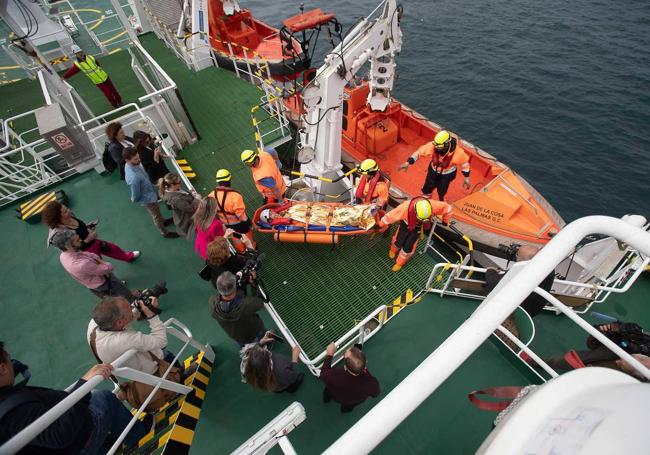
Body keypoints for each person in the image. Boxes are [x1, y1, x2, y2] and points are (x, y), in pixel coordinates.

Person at [0, 341, 146, 454]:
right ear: (2, 368)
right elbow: (59, 434)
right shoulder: (13, 409)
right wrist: (84, 385)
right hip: (75, 445)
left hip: (59, 447)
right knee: (104, 398)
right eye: (9, 359)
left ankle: (109, 448)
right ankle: (139, 435)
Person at [87, 296, 186, 411]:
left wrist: (139, 306)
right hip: (152, 367)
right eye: (130, 309)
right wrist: (151, 314)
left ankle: (180, 378)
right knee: (171, 364)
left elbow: (127, 317)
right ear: (119, 322)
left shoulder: (95, 323)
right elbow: (161, 341)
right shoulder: (122, 340)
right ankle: (179, 387)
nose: (132, 309)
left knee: (171, 364)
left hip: (136, 367)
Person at [50, 230, 166, 301]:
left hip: (95, 284)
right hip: (105, 283)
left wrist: (96, 259)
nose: (80, 240)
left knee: (119, 296)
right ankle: (137, 307)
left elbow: (88, 254)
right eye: (76, 240)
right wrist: (102, 262)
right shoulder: (81, 264)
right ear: (68, 246)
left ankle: (129, 297)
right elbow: (108, 268)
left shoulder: (63, 255)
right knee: (125, 298)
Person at [482, 245, 555, 346]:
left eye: (517, 256)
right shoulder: (549, 269)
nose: (516, 257)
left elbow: (495, 283)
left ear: (522, 260)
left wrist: (490, 271)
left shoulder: (523, 272)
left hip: (517, 309)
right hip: (532, 308)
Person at [42, 200, 139, 262]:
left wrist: (87, 226)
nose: (68, 210)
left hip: (94, 241)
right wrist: (87, 239)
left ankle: (128, 257)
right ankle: (112, 281)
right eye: (65, 211)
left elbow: (78, 227)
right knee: (101, 266)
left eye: (66, 208)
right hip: (86, 252)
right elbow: (72, 250)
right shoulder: (60, 234)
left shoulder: (70, 215)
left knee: (113, 248)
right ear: (58, 217)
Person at [378, 197, 453, 272]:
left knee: (408, 246)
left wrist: (445, 220)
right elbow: (390, 216)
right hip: (406, 224)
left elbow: (448, 208)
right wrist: (380, 224)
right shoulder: (405, 208)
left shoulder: (433, 205)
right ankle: (393, 249)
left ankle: (400, 262)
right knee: (399, 238)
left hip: (418, 228)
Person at [398, 130, 471, 201]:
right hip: (433, 171)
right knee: (427, 188)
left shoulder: (459, 153)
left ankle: (441, 198)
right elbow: (419, 153)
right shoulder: (433, 146)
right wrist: (408, 163)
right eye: (436, 145)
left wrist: (466, 177)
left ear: (446, 144)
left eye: (439, 146)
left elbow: (465, 164)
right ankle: (425, 199)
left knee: (442, 190)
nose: (436, 148)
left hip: (447, 175)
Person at [123, 147, 179, 238]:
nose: (139, 160)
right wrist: (143, 197)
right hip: (148, 199)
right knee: (155, 215)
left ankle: (163, 221)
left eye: (138, 157)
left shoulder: (131, 164)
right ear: (127, 160)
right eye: (136, 159)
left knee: (157, 210)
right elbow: (135, 196)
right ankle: (165, 233)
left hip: (150, 192)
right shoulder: (133, 178)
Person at [209, 271, 267, 347]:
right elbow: (261, 302)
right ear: (235, 287)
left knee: (245, 347)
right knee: (262, 340)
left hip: (236, 335)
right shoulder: (246, 305)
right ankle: (267, 343)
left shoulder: (212, 301)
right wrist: (253, 284)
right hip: (253, 331)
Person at [320, 342, 380, 413]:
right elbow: (376, 394)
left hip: (334, 394)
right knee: (347, 407)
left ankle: (326, 399)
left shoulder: (335, 375)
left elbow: (323, 373)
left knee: (327, 393)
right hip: (351, 401)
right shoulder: (371, 383)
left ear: (345, 367)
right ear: (365, 363)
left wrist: (330, 354)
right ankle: (344, 410)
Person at [209, 168, 256, 253]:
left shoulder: (211, 196)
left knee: (235, 237)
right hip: (240, 224)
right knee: (248, 237)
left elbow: (213, 213)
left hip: (227, 225)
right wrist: (250, 224)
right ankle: (252, 251)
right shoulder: (235, 196)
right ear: (229, 180)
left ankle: (242, 252)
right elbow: (242, 217)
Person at [159, 172, 199, 239]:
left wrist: (190, 193)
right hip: (189, 218)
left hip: (182, 215)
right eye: (179, 182)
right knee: (198, 230)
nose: (180, 183)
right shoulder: (177, 200)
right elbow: (191, 208)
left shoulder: (169, 190)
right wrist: (197, 199)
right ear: (172, 185)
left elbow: (182, 193)